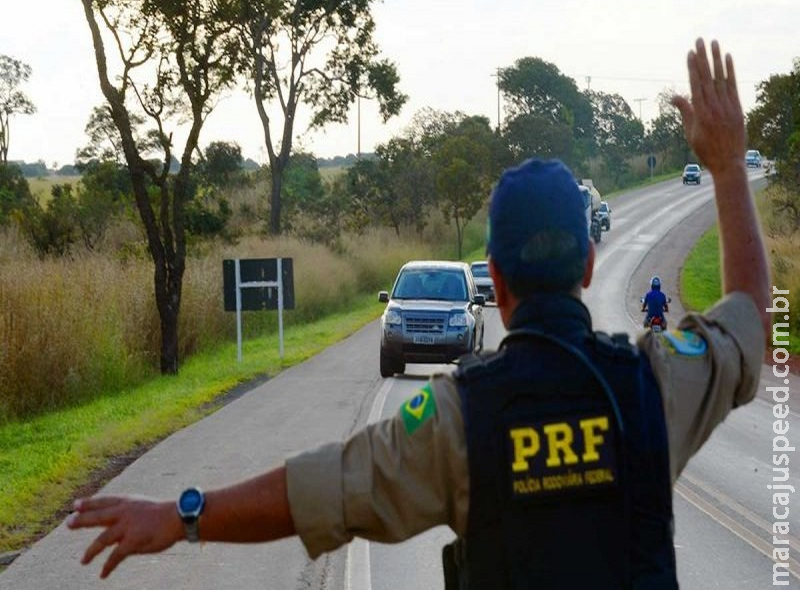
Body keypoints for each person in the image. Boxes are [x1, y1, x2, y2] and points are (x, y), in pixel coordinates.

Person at [68, 38, 770, 587]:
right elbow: (748, 322)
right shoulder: (653, 386)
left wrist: (182, 515)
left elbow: (319, 489)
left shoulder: (455, 419)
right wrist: (730, 166)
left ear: (492, 277)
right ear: (589, 265)